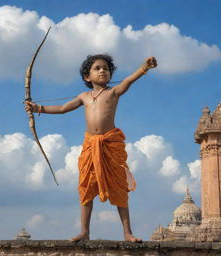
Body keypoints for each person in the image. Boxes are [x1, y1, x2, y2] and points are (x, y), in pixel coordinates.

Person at [25, 54, 157, 242]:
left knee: (120, 186)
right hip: (90, 145)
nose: (103, 70)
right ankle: (85, 231)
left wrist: (144, 67)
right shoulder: (84, 97)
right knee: (86, 186)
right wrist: (38, 108)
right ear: (87, 77)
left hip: (110, 144)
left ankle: (127, 232)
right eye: (97, 68)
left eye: (106, 68)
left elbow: (128, 81)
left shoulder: (113, 92)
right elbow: (63, 108)